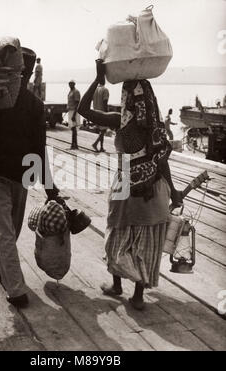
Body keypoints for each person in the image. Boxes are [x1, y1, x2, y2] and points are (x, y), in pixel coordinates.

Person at [78, 60, 183, 311]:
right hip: (153, 191)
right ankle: (137, 295)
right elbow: (162, 163)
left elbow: (83, 109)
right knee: (144, 243)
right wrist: (174, 190)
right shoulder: (156, 129)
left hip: (125, 188)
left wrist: (97, 80)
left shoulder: (119, 121)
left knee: (117, 235)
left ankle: (117, 285)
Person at [0, 47, 60, 308]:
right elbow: (39, 150)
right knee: (8, 231)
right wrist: (50, 188)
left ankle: (3, 268)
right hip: (18, 176)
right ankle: (16, 290)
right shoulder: (35, 105)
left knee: (6, 232)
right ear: (27, 72)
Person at [92, 79, 109, 152]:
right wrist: (107, 113)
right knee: (103, 130)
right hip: (102, 112)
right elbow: (105, 102)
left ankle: (101, 147)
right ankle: (95, 144)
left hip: (95, 112)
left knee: (101, 130)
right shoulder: (105, 90)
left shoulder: (95, 90)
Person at [67, 80, 81, 150]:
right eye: (69, 84)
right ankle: (74, 144)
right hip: (70, 111)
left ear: (74, 84)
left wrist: (74, 115)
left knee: (74, 128)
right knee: (72, 128)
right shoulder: (70, 91)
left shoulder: (76, 92)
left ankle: (74, 145)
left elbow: (77, 103)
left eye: (72, 84)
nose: (70, 85)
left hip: (74, 111)